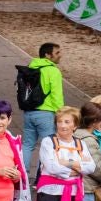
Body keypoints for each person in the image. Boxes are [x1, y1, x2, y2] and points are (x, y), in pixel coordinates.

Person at [19, 43, 65, 175]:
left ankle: (23, 176)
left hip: (29, 112)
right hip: (46, 114)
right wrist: (61, 114)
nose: (59, 55)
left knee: (27, 145)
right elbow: (57, 95)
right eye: (57, 53)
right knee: (48, 147)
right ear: (47, 55)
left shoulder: (30, 67)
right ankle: (41, 177)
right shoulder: (53, 71)